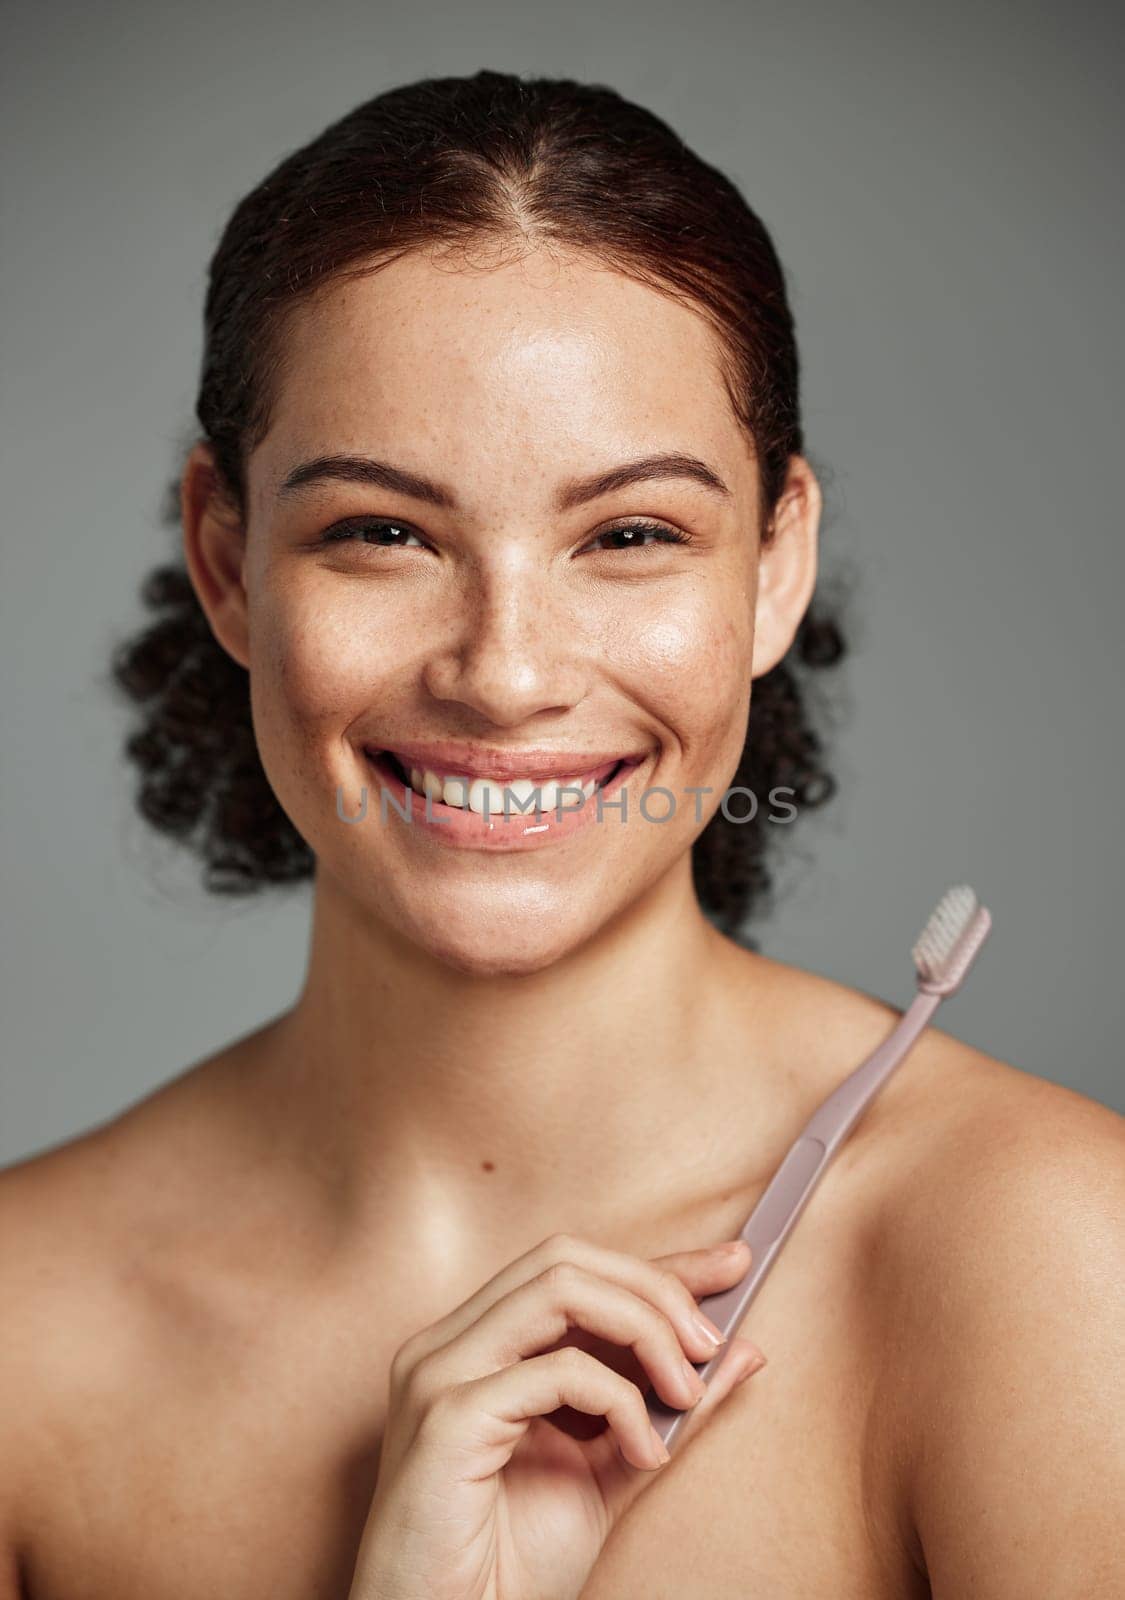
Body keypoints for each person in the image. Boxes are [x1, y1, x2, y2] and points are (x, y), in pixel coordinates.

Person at [1, 68, 1121, 1600]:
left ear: (774, 567)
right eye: (382, 533)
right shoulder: (23, 1333)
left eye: (630, 536)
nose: (505, 672)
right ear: (226, 562)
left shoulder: (1049, 1261)